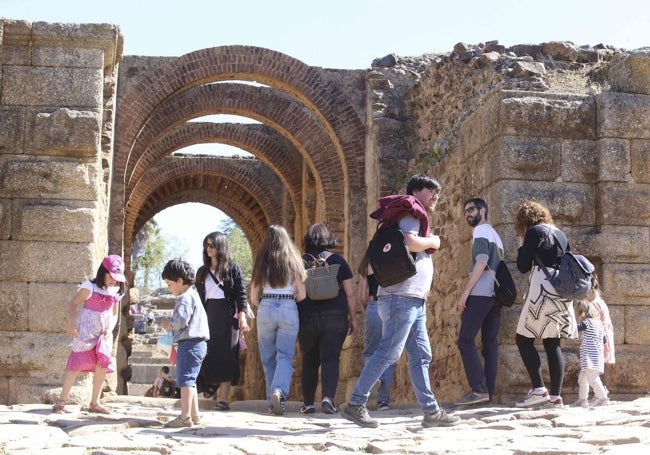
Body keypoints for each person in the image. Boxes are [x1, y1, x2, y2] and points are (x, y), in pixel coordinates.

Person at [342, 174, 461, 428]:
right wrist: (434, 242)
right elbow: (409, 241)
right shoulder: (410, 211)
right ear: (416, 191)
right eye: (432, 191)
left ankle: (431, 412)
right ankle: (355, 404)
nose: (436, 196)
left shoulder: (408, 213)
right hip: (401, 297)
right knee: (389, 351)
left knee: (420, 355)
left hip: (412, 299)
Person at [514, 200, 578, 408]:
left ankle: (539, 389)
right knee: (553, 342)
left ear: (524, 221)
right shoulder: (560, 233)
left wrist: (521, 243)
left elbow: (523, 266)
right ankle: (556, 396)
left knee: (523, 338)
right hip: (562, 288)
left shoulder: (533, 232)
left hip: (543, 289)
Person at [52, 255, 127, 414]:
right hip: (86, 331)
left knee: (101, 366)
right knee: (76, 364)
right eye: (111, 277)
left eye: (117, 278)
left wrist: (110, 328)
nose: (114, 281)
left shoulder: (115, 291)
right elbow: (73, 304)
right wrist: (71, 324)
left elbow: (114, 314)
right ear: (103, 272)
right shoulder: (89, 287)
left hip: (103, 334)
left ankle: (95, 402)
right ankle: (62, 400)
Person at [298, 224, 356, 415]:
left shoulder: (300, 263)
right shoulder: (338, 261)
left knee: (309, 360)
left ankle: (307, 404)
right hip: (335, 317)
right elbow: (350, 294)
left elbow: (295, 292)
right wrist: (352, 318)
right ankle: (328, 398)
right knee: (331, 358)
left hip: (307, 317)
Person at [250, 225, 306, 415]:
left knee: (268, 358)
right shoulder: (293, 260)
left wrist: (265, 306)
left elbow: (253, 296)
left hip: (266, 307)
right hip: (288, 307)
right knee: (285, 356)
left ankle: (271, 402)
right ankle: (279, 392)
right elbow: (302, 295)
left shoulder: (261, 261)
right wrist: (289, 300)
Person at [195, 231, 251, 411]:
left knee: (228, 356)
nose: (209, 249)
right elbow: (198, 297)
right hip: (208, 315)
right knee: (206, 353)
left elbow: (241, 294)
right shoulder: (202, 272)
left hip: (228, 318)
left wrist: (242, 314)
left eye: (212, 245)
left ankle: (224, 399)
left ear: (221, 247)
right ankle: (210, 384)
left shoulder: (232, 268)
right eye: (207, 245)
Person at [456, 197, 503, 405]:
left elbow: (482, 260)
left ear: (483, 210)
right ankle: (488, 393)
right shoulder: (496, 235)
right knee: (489, 344)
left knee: (465, 340)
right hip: (495, 295)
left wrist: (466, 291)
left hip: (482, 292)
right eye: (465, 211)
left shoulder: (481, 231)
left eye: (471, 210)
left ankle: (479, 389)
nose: (468, 214)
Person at [160, 259, 210, 427]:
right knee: (190, 380)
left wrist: (170, 325)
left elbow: (181, 320)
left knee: (185, 380)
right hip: (199, 344)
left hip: (189, 344)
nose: (169, 288)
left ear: (179, 281)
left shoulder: (184, 298)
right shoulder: (194, 295)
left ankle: (185, 417)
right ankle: (194, 416)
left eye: (169, 284)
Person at [357, 250, 396, 411]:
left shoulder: (366, 264)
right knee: (390, 355)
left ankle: (376, 376)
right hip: (391, 307)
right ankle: (383, 401)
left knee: (369, 353)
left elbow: (362, 295)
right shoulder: (394, 260)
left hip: (374, 306)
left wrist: (369, 308)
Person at [572, 299, 609, 407]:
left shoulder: (587, 322)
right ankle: (582, 400)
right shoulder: (599, 324)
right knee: (582, 379)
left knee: (593, 379)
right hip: (596, 358)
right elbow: (604, 341)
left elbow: (575, 329)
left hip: (589, 358)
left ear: (583, 313)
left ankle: (603, 398)